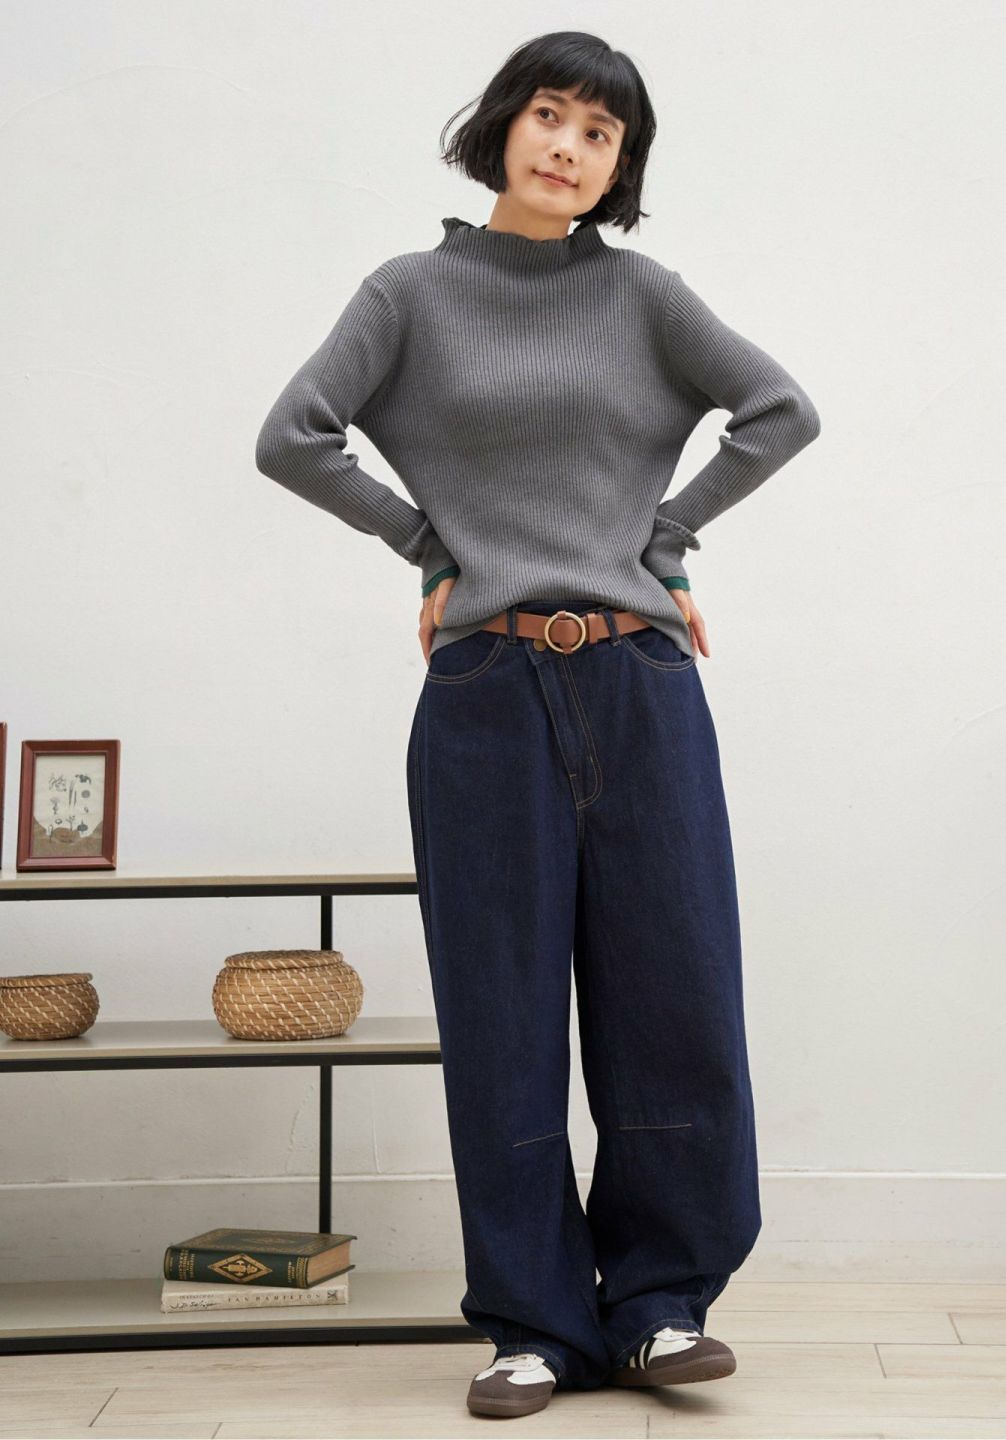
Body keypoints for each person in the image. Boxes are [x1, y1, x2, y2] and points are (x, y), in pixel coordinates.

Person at [255, 29, 820, 1420]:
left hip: (640, 681)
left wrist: (664, 543)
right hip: (485, 694)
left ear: (621, 166)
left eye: (600, 133)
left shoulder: (641, 296)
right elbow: (294, 434)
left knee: (674, 999)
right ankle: (532, 1323)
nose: (568, 146)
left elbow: (779, 411)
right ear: (503, 124)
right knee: (502, 1015)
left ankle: (662, 1307)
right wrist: (427, 546)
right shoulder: (410, 295)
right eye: (551, 114)